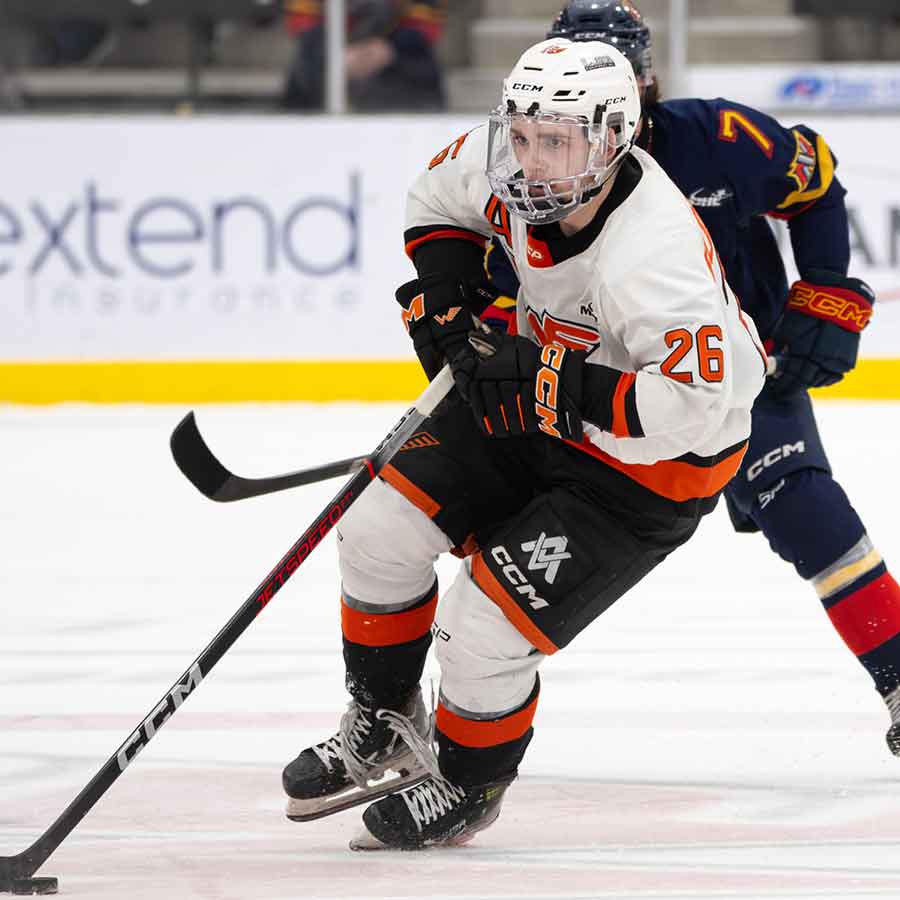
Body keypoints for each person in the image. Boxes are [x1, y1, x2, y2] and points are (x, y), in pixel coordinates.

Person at [281, 39, 766, 849]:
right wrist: (443, 298)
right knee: (373, 529)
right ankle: (384, 719)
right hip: (542, 406)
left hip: (647, 471)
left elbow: (698, 407)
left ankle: (469, 786)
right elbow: (436, 199)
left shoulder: (655, 255)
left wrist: (552, 380)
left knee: (482, 628)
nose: (532, 160)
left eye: (558, 140)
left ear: (612, 137)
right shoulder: (502, 159)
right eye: (524, 131)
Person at [487, 0, 900, 756]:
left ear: (641, 82)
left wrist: (826, 289)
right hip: (588, 394)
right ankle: (430, 713)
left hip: (731, 384)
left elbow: (816, 182)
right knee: (491, 542)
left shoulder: (717, 139)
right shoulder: (525, 167)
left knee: (808, 509)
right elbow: (485, 262)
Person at [282, 0, 446, 111]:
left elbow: (425, 23)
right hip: (329, 53)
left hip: (394, 54)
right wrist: (333, 54)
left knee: (422, 69)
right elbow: (302, 21)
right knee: (305, 71)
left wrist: (390, 48)